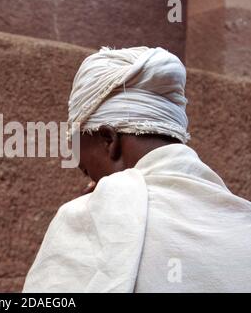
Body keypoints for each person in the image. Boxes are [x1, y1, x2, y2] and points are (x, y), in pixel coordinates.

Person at [22, 46, 251, 292]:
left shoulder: (87, 219)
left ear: (109, 140)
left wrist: (89, 219)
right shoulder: (241, 220)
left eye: (87, 170)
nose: (91, 185)